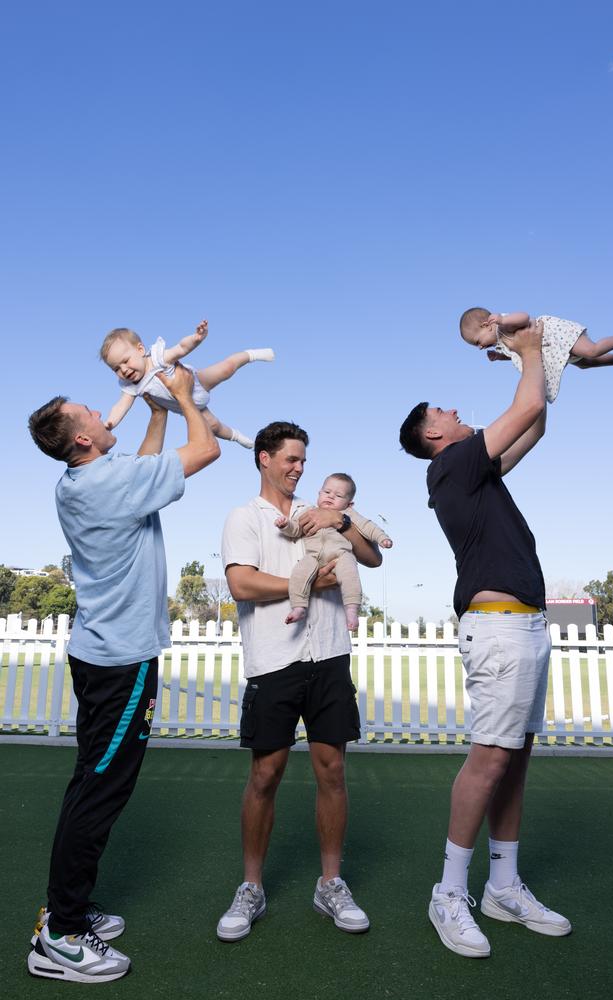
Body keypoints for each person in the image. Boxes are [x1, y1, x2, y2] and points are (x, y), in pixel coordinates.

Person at [26, 364, 219, 983]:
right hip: (121, 662)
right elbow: (208, 449)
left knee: (89, 780)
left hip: (96, 653)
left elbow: (141, 467)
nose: (107, 414)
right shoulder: (110, 483)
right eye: (93, 415)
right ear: (83, 439)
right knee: (100, 793)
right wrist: (185, 398)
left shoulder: (81, 480)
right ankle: (59, 933)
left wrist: (156, 409)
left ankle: (67, 908)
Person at [399, 319, 571, 960]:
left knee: (515, 759)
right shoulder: (452, 464)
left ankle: (503, 885)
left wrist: (539, 362)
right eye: (444, 409)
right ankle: (449, 893)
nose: (454, 408)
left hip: (524, 625)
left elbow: (537, 420)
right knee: (490, 759)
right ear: (434, 435)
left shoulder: (477, 471)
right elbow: (524, 405)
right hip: (498, 630)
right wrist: (529, 348)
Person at [217, 423, 382, 942]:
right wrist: (313, 580)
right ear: (264, 459)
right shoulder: (246, 517)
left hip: (330, 654)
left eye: (304, 460)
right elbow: (241, 583)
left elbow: (372, 557)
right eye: (290, 458)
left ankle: (330, 883)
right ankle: (251, 887)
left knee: (332, 770)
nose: (299, 468)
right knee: (265, 775)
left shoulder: (327, 515)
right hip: (273, 660)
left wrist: (345, 517)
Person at [100, 319, 275, 447]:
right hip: (190, 406)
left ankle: (252, 355)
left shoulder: (158, 358)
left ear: (140, 349)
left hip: (197, 382)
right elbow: (121, 406)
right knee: (214, 426)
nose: (123, 369)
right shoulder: (130, 385)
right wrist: (110, 423)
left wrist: (196, 338)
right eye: (116, 369)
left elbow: (181, 348)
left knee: (226, 368)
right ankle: (237, 437)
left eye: (125, 361)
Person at [275, 472, 392, 629]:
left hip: (341, 555)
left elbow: (367, 526)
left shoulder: (348, 514)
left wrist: (382, 538)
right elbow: (296, 529)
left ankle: (351, 610)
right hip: (313, 556)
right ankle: (299, 607)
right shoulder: (309, 512)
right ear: (319, 493)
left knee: (350, 574)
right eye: (327, 492)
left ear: (349, 504)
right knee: (299, 572)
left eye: (338, 495)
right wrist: (285, 525)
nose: (330, 497)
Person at [459, 307, 613, 401]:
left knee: (591, 350)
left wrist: (503, 318)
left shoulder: (503, 325)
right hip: (549, 349)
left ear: (486, 325)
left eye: (477, 342)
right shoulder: (500, 343)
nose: (480, 347)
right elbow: (521, 353)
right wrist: (501, 357)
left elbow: (524, 316)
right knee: (584, 363)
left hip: (555, 335)